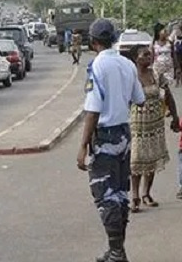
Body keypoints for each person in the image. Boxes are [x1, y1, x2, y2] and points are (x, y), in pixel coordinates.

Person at [77, 18, 145, 262]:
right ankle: (118, 249)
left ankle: (116, 251)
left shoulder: (97, 66)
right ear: (114, 39)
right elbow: (140, 99)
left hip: (104, 136)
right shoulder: (127, 65)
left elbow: (93, 110)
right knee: (120, 194)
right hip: (124, 134)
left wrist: (83, 145)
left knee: (105, 195)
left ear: (93, 42)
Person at [127, 44, 179, 213]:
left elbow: (168, 95)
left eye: (150, 55)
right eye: (145, 55)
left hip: (155, 124)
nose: (149, 58)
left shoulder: (156, 74)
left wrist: (175, 116)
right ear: (136, 58)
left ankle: (146, 194)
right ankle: (134, 197)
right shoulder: (131, 77)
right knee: (136, 160)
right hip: (137, 125)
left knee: (153, 159)